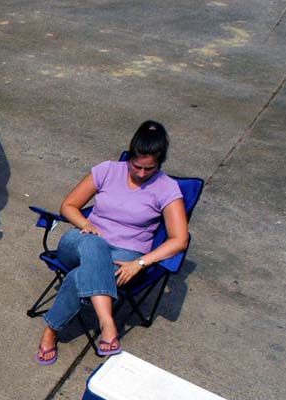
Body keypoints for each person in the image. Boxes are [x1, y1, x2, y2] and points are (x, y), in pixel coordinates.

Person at [36, 120, 188, 364]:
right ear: (130, 156)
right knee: (95, 244)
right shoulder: (107, 170)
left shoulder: (166, 188)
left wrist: (140, 262)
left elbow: (179, 240)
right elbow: (68, 206)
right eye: (136, 166)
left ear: (159, 163)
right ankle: (108, 323)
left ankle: (51, 330)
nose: (141, 174)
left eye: (149, 169)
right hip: (80, 241)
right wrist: (85, 224)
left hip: (126, 256)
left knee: (80, 276)